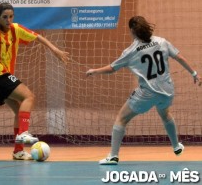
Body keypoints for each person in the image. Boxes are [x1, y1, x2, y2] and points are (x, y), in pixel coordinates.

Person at [86, 16, 201, 165]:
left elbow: (111, 69)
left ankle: (113, 156)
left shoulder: (131, 51)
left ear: (132, 31)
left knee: (121, 118)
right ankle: (176, 146)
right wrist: (194, 74)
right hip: (167, 91)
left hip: (147, 93)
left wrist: (94, 71)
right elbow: (180, 57)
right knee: (165, 114)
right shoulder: (161, 41)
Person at [0, 3, 69, 160]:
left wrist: (55, 50)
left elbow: (38, 37)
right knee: (29, 97)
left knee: (19, 112)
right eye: (5, 17)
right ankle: (24, 134)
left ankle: (18, 151)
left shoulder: (16, 29)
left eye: (11, 16)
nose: (8, 20)